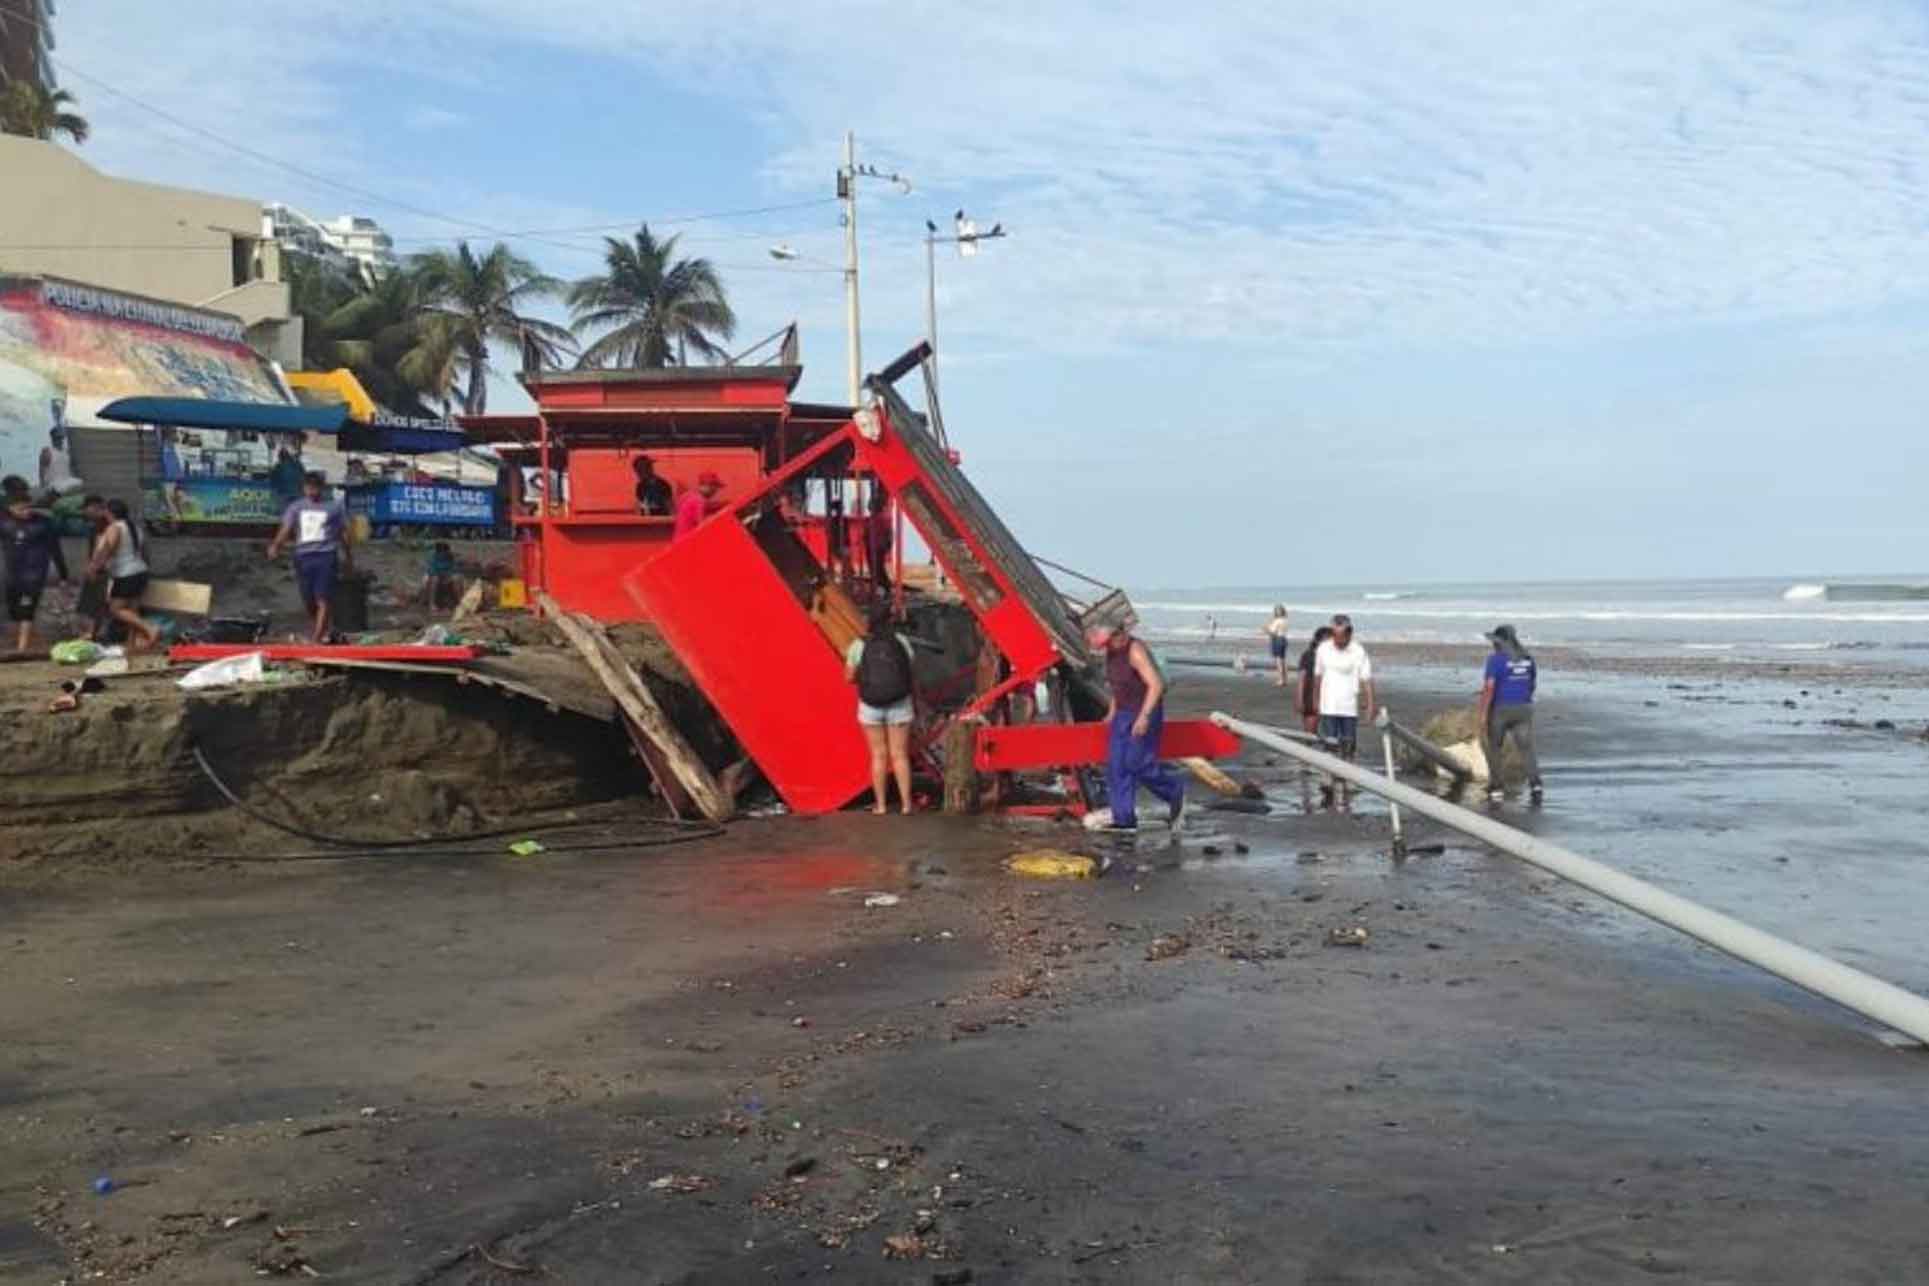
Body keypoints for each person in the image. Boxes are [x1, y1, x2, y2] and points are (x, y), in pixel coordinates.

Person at [1088, 620, 1186, 834]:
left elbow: (1156, 684)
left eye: (1095, 633)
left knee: (1137, 763)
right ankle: (1124, 821)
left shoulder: (1135, 650)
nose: (1091, 638)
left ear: (1113, 632)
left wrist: (1144, 717)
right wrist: (1112, 712)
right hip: (1123, 713)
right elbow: (1117, 685)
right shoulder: (1110, 651)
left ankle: (1174, 790)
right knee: (1116, 767)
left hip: (1144, 711)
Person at [844, 598, 916, 815]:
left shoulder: (859, 645)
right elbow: (910, 668)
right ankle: (906, 805)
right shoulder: (901, 641)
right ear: (889, 620)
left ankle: (882, 806)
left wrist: (865, 678)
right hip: (899, 703)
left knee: (878, 755)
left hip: (871, 706)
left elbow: (848, 677)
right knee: (900, 755)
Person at [267, 470, 352, 643]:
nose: (312, 491)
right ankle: (326, 629)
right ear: (304, 488)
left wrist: (349, 555)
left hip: (326, 556)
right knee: (308, 599)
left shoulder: (334, 506)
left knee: (323, 597)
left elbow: (345, 533)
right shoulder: (296, 507)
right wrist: (276, 545)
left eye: (315, 488)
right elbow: (286, 528)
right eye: (308, 488)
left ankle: (317, 638)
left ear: (321, 488)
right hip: (303, 557)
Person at [1478, 623, 1544, 805]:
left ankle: (1497, 788)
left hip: (1501, 709)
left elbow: (1489, 687)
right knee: (1527, 748)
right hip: (1524, 708)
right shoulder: (1528, 658)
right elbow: (1532, 682)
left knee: (1494, 747)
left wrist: (1483, 713)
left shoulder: (1496, 660)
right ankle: (1536, 785)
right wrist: (1524, 698)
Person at [1, 478, 68, 653]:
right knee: (14, 609)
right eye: (21, 508)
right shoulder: (4, 523)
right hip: (12, 576)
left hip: (34, 576)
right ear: (10, 508)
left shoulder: (43, 523)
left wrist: (63, 575)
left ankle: (22, 648)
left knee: (26, 609)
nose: (26, 511)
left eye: (28, 507)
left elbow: (56, 549)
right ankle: (23, 640)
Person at [86, 497, 159, 649]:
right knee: (132, 610)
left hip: (125, 573)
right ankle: (131, 643)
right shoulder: (135, 528)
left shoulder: (115, 527)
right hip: (140, 571)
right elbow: (145, 553)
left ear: (109, 512)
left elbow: (107, 549)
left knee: (116, 609)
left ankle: (150, 629)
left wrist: (94, 567)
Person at [1312, 614, 1374, 761]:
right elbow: (1318, 676)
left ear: (1349, 633)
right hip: (1328, 706)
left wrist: (1370, 705)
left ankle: (1347, 778)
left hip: (1349, 707)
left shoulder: (1358, 650)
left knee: (1348, 748)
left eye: (1341, 635)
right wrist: (1315, 700)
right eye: (1334, 635)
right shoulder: (1323, 649)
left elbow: (1366, 679)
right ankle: (1332, 779)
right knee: (1330, 747)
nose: (1338, 640)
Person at [1293, 625, 1332, 734]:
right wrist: (1299, 699)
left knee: (1330, 732)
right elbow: (1302, 678)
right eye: (1326, 641)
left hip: (1328, 697)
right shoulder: (1309, 655)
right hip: (1310, 695)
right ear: (1318, 641)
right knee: (1310, 733)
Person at [673, 471, 724, 542]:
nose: (715, 491)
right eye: (715, 487)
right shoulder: (699, 501)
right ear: (710, 486)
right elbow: (702, 526)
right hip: (688, 543)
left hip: (679, 541)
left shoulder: (687, 496)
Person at [39, 423, 82, 501]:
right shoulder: (47, 451)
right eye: (57, 437)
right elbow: (41, 469)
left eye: (61, 437)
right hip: (54, 483)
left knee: (79, 483)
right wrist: (43, 485)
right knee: (63, 488)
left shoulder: (66, 451)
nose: (60, 439)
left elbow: (71, 467)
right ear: (52, 438)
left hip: (67, 480)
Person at [862, 486, 893, 589]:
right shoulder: (875, 519)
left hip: (877, 547)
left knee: (877, 569)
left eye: (871, 506)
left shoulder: (880, 519)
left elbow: (887, 534)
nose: (869, 507)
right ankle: (883, 586)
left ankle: (885, 586)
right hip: (873, 547)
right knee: (875, 569)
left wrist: (887, 545)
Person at [422, 540, 460, 609]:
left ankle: (458, 602)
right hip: (432, 576)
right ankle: (431, 603)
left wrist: (448, 576)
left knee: (456, 579)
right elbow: (432, 572)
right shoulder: (433, 557)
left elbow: (454, 570)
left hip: (446, 576)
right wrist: (443, 576)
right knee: (435, 580)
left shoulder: (450, 557)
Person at [1265, 605, 1291, 686]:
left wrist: (1266, 629)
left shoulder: (1277, 621)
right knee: (1283, 660)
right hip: (1284, 639)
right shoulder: (1285, 620)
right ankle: (1285, 679)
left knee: (1279, 661)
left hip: (1277, 639)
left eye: (1277, 611)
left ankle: (1281, 679)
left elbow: (1273, 632)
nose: (1276, 612)